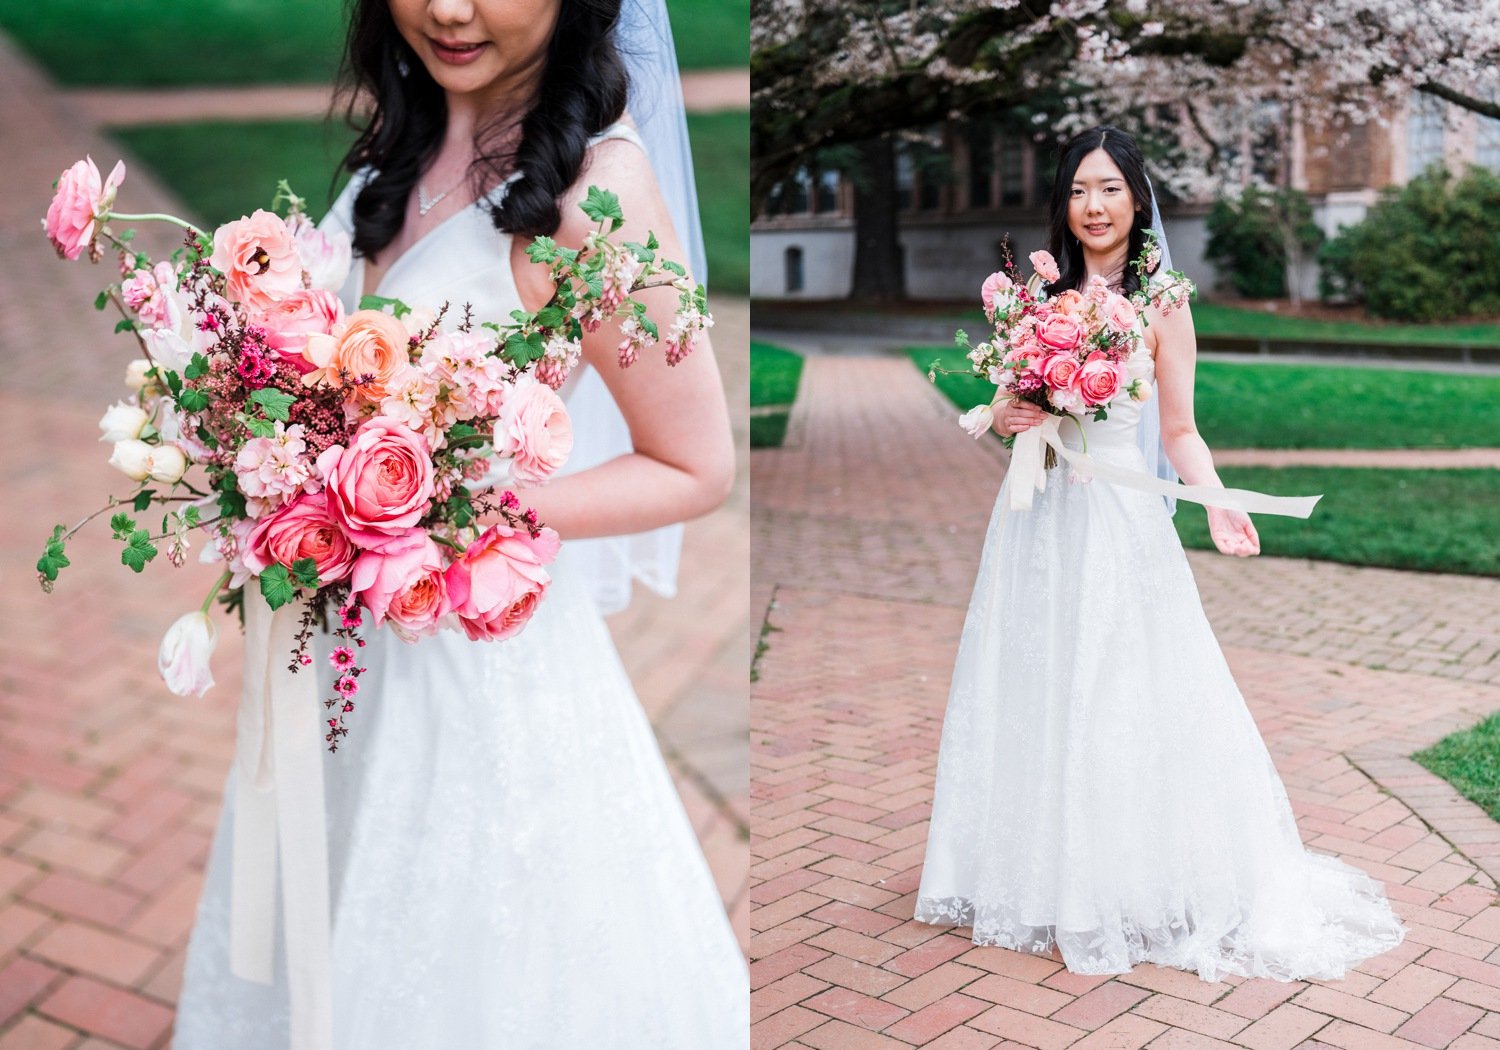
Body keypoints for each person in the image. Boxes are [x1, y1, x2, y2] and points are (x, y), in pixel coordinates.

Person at [174, 0, 749, 1045]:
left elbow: (696, 463)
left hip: (480, 660)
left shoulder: (596, 194)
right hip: (344, 647)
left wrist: (443, 507)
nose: (447, 8)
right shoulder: (407, 136)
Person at [913, 125, 1405, 981]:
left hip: (1118, 521)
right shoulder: (1038, 291)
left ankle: (1127, 877)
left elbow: (1178, 428)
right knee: (1035, 677)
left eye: (1108, 188)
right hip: (1035, 523)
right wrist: (1009, 415)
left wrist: (1216, 507)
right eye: (1076, 190)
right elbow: (1002, 406)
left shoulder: (1164, 299)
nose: (1092, 206)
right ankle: (1036, 872)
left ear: (1137, 198)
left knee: (1123, 686)